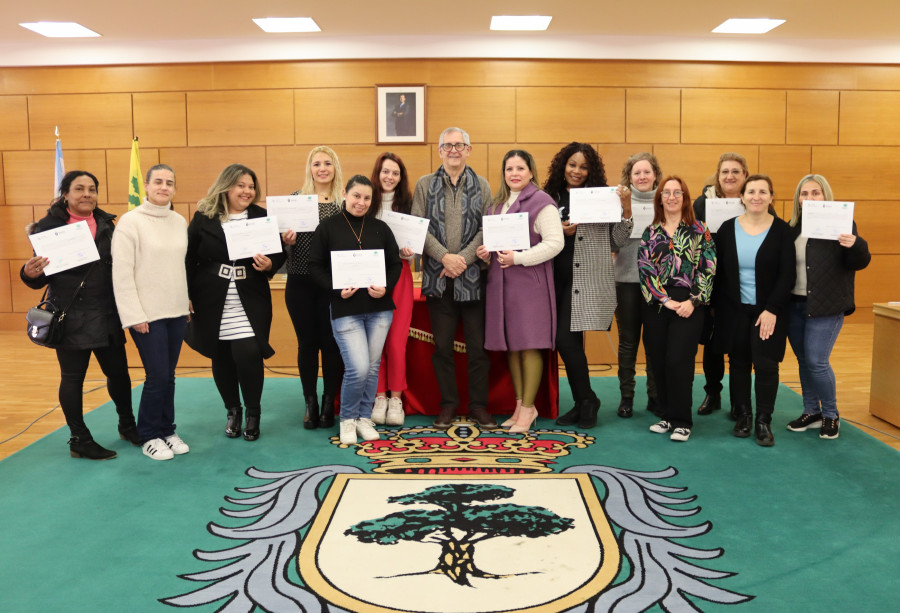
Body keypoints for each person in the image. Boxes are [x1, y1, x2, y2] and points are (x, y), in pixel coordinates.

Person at [21, 170, 136, 460]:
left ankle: (128, 425)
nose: (87, 194)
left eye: (92, 189)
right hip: (70, 316)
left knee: (120, 375)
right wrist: (28, 273)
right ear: (66, 194)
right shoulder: (47, 228)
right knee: (73, 379)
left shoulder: (108, 224)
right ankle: (79, 439)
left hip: (106, 311)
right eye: (80, 189)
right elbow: (39, 277)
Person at [185, 164, 286, 442]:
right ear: (227, 186)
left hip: (250, 297)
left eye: (251, 186)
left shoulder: (262, 217)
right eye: (241, 185)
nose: (247, 191)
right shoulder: (204, 217)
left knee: (248, 353)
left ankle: (253, 413)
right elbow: (188, 258)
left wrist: (269, 264)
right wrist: (187, 294)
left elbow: (277, 256)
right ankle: (233, 411)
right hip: (211, 298)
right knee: (221, 356)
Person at [542, 142, 633, 429]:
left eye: (583, 166)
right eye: (572, 165)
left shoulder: (602, 196)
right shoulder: (547, 197)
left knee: (565, 340)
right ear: (562, 166)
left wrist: (627, 209)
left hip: (585, 277)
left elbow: (616, 240)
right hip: (551, 277)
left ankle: (588, 399)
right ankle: (583, 401)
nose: (577, 171)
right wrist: (559, 229)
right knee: (571, 343)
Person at [411, 126, 496, 430]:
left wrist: (462, 260)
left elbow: (488, 228)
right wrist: (445, 258)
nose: (454, 150)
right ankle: (448, 405)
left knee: (477, 349)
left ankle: (478, 406)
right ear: (439, 151)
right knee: (443, 348)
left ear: (469, 150)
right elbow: (418, 228)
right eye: (448, 146)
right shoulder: (424, 184)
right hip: (438, 278)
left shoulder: (483, 185)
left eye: (459, 145)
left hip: (473, 278)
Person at [309, 175, 402, 445]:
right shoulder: (327, 227)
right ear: (345, 194)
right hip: (345, 308)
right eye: (356, 196)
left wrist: (385, 286)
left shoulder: (380, 228)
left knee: (372, 368)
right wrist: (337, 288)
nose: (361, 202)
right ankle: (348, 419)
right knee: (357, 367)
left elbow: (394, 264)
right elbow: (315, 266)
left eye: (367, 198)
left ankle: (364, 417)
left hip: (379, 308)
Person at [477, 149, 563, 433]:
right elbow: (497, 246)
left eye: (520, 168)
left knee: (529, 345)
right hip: (501, 287)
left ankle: (529, 408)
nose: (514, 173)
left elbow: (554, 243)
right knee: (511, 347)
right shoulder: (496, 205)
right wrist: (485, 252)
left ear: (531, 171)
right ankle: (519, 405)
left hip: (530, 285)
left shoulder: (542, 202)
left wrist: (519, 257)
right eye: (509, 168)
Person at [111, 164, 191, 461]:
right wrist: (134, 316)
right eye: (158, 181)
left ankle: (167, 429)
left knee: (168, 376)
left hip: (176, 311)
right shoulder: (130, 223)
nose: (164, 187)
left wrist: (185, 305)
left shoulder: (179, 220)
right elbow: (122, 273)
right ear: (146, 186)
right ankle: (149, 435)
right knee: (156, 375)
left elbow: (178, 267)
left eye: (170, 182)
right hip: (146, 315)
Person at [785, 175, 871, 439]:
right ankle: (811, 411)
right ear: (798, 199)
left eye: (816, 193)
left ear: (826, 196)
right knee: (803, 360)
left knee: (816, 361)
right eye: (804, 194)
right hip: (794, 305)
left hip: (827, 306)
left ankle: (831, 414)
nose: (810, 198)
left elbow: (860, 261)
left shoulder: (842, 225)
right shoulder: (792, 227)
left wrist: (855, 244)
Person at [712, 174, 795, 447]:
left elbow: (787, 275)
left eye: (762, 191)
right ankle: (744, 415)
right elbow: (719, 274)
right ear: (742, 197)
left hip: (768, 312)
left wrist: (772, 309)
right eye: (751, 191)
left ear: (771, 197)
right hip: (734, 311)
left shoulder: (782, 231)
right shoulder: (726, 229)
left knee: (766, 365)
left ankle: (763, 420)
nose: (756, 196)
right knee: (738, 364)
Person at [639, 176, 716, 443]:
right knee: (658, 361)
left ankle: (683, 421)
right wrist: (663, 299)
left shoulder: (699, 229)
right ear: (659, 198)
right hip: (658, 304)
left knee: (678, 362)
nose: (672, 197)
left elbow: (708, 267)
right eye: (666, 193)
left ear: (685, 198)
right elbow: (645, 269)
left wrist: (693, 301)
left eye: (677, 192)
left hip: (689, 304)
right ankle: (667, 416)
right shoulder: (650, 232)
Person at [282, 146, 344, 430]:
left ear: (335, 168)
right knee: (307, 344)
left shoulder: (345, 202)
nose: (322, 168)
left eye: (327, 163)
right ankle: (310, 403)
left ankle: (329, 401)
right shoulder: (295, 200)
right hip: (300, 282)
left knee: (332, 345)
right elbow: (278, 246)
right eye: (316, 163)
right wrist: (287, 240)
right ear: (310, 168)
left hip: (334, 285)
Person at [692, 153, 749, 418]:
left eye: (736, 172)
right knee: (712, 342)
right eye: (725, 171)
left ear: (744, 176)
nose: (730, 176)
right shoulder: (702, 203)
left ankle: (740, 401)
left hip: (742, 284)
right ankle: (712, 393)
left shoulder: (755, 201)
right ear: (718, 175)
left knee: (739, 343)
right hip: (709, 280)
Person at [613, 153, 660, 419]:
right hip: (626, 281)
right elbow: (614, 243)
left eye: (647, 172)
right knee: (628, 342)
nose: (642, 177)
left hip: (657, 285)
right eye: (636, 173)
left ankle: (655, 396)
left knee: (654, 342)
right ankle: (627, 397)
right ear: (629, 178)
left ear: (655, 175)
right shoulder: (618, 203)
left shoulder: (666, 200)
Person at [369, 153, 415, 426]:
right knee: (376, 341)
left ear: (401, 177)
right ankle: (379, 396)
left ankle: (396, 398)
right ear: (378, 173)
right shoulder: (365, 201)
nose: (389, 177)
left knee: (396, 341)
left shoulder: (408, 205)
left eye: (395, 173)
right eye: (385, 171)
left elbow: (415, 246)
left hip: (400, 276)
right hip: (370, 275)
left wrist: (410, 252)